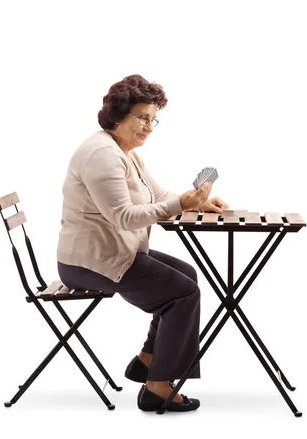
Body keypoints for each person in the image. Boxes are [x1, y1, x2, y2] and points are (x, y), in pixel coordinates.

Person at [56, 74, 229, 412]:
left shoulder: (125, 150)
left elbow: (158, 195)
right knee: (183, 293)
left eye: (154, 119)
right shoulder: (101, 155)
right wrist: (181, 203)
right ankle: (157, 388)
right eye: (143, 118)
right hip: (88, 261)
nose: (149, 126)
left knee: (186, 275)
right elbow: (125, 216)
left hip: (113, 251)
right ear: (119, 113)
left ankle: (149, 359)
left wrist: (195, 201)